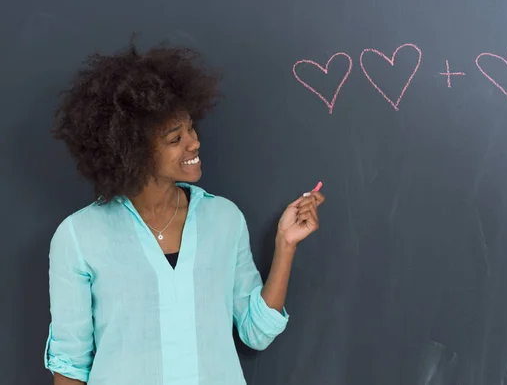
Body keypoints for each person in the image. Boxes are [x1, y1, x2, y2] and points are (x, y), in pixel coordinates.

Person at [44, 38, 326, 385]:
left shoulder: (224, 219)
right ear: (132, 151)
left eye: (191, 128)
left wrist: (286, 245)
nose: (194, 142)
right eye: (174, 138)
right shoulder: (79, 236)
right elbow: (70, 365)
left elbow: (256, 332)